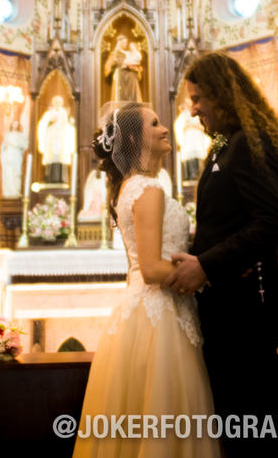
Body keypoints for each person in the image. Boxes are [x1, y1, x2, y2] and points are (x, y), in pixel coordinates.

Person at [163, 52, 278, 457]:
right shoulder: (223, 146)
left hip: (248, 309)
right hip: (228, 306)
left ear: (221, 93)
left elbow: (271, 222)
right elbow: (228, 221)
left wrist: (206, 265)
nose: (192, 109)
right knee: (236, 420)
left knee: (252, 424)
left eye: (198, 98)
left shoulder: (247, 143)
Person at [73, 101, 220, 458]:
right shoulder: (149, 190)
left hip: (141, 309)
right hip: (162, 312)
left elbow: (139, 266)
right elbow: (152, 269)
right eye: (155, 124)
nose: (165, 128)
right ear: (136, 138)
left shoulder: (129, 188)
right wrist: (207, 274)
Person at [36, 94, 75, 183]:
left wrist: (69, 118)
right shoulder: (48, 114)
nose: (57, 104)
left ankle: (62, 180)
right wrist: (49, 121)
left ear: (62, 103)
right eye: (56, 102)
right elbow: (41, 126)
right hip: (51, 140)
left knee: (61, 159)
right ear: (53, 103)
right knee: (51, 158)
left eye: (59, 102)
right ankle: (50, 180)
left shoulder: (65, 113)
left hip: (62, 140)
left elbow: (71, 124)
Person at [104, 35, 143, 102]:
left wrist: (134, 67)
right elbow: (108, 67)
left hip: (131, 77)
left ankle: (132, 110)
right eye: (123, 43)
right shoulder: (114, 54)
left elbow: (138, 66)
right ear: (119, 43)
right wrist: (121, 63)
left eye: (126, 43)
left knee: (131, 98)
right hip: (120, 76)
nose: (125, 44)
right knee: (120, 96)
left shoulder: (130, 53)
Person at [0, 120, 27, 198]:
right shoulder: (7, 135)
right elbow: (3, 147)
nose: (16, 125)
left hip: (16, 156)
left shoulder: (20, 135)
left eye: (17, 124)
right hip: (8, 156)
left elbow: (22, 145)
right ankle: (8, 192)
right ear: (11, 125)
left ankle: (16, 191)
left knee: (17, 173)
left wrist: (11, 143)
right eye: (14, 124)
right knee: (9, 173)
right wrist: (5, 144)